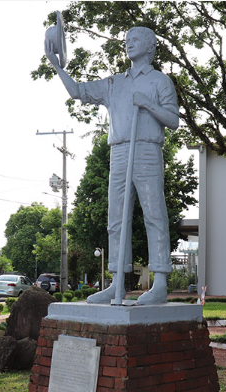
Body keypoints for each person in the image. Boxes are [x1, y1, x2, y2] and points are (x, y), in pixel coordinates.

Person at [45, 26, 179, 305]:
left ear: (151, 46)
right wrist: (55, 64)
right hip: (119, 151)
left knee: (154, 214)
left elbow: (173, 120)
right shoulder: (114, 83)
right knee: (116, 219)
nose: (128, 43)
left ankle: (161, 283)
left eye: (136, 39)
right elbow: (77, 91)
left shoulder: (159, 81)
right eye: (126, 39)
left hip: (146, 149)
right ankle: (116, 281)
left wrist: (148, 105)